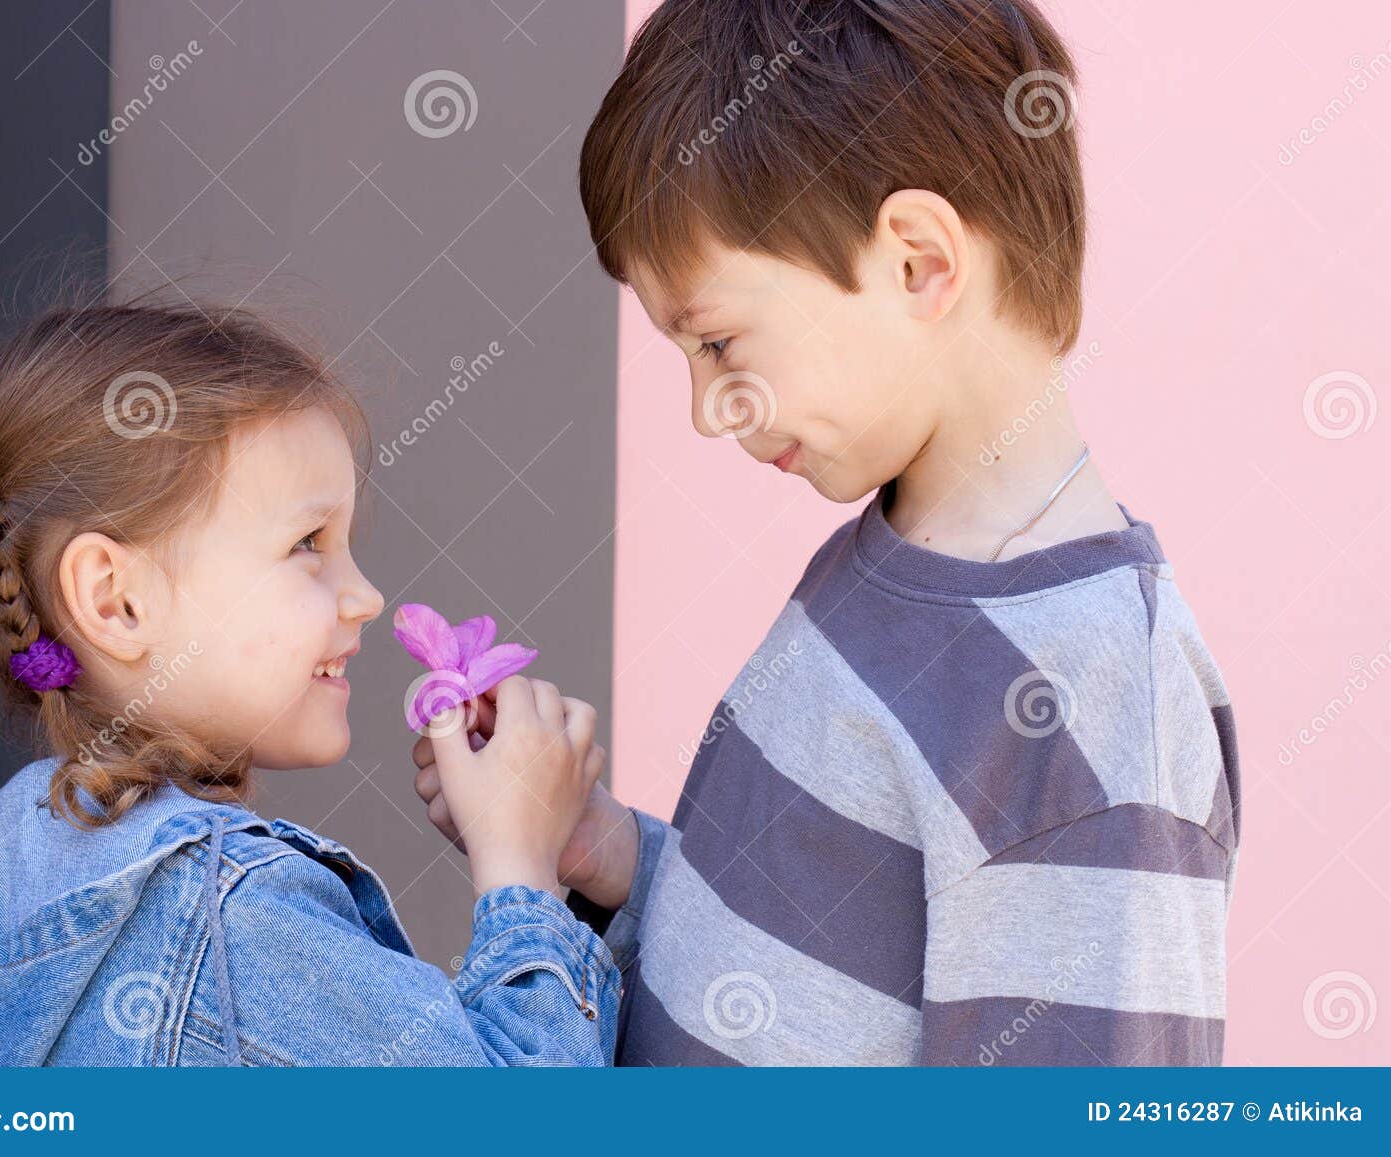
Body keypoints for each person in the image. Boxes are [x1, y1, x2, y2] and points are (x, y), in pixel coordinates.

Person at [415, 0, 1239, 1065]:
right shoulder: (891, 554)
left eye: (716, 343)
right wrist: (609, 854)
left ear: (917, 263)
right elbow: (820, 973)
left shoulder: (1090, 701)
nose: (708, 409)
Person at [0, 298, 615, 1066]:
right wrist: (522, 868)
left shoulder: (20, 842)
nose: (368, 597)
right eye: (307, 543)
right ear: (117, 600)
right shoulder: (234, 910)